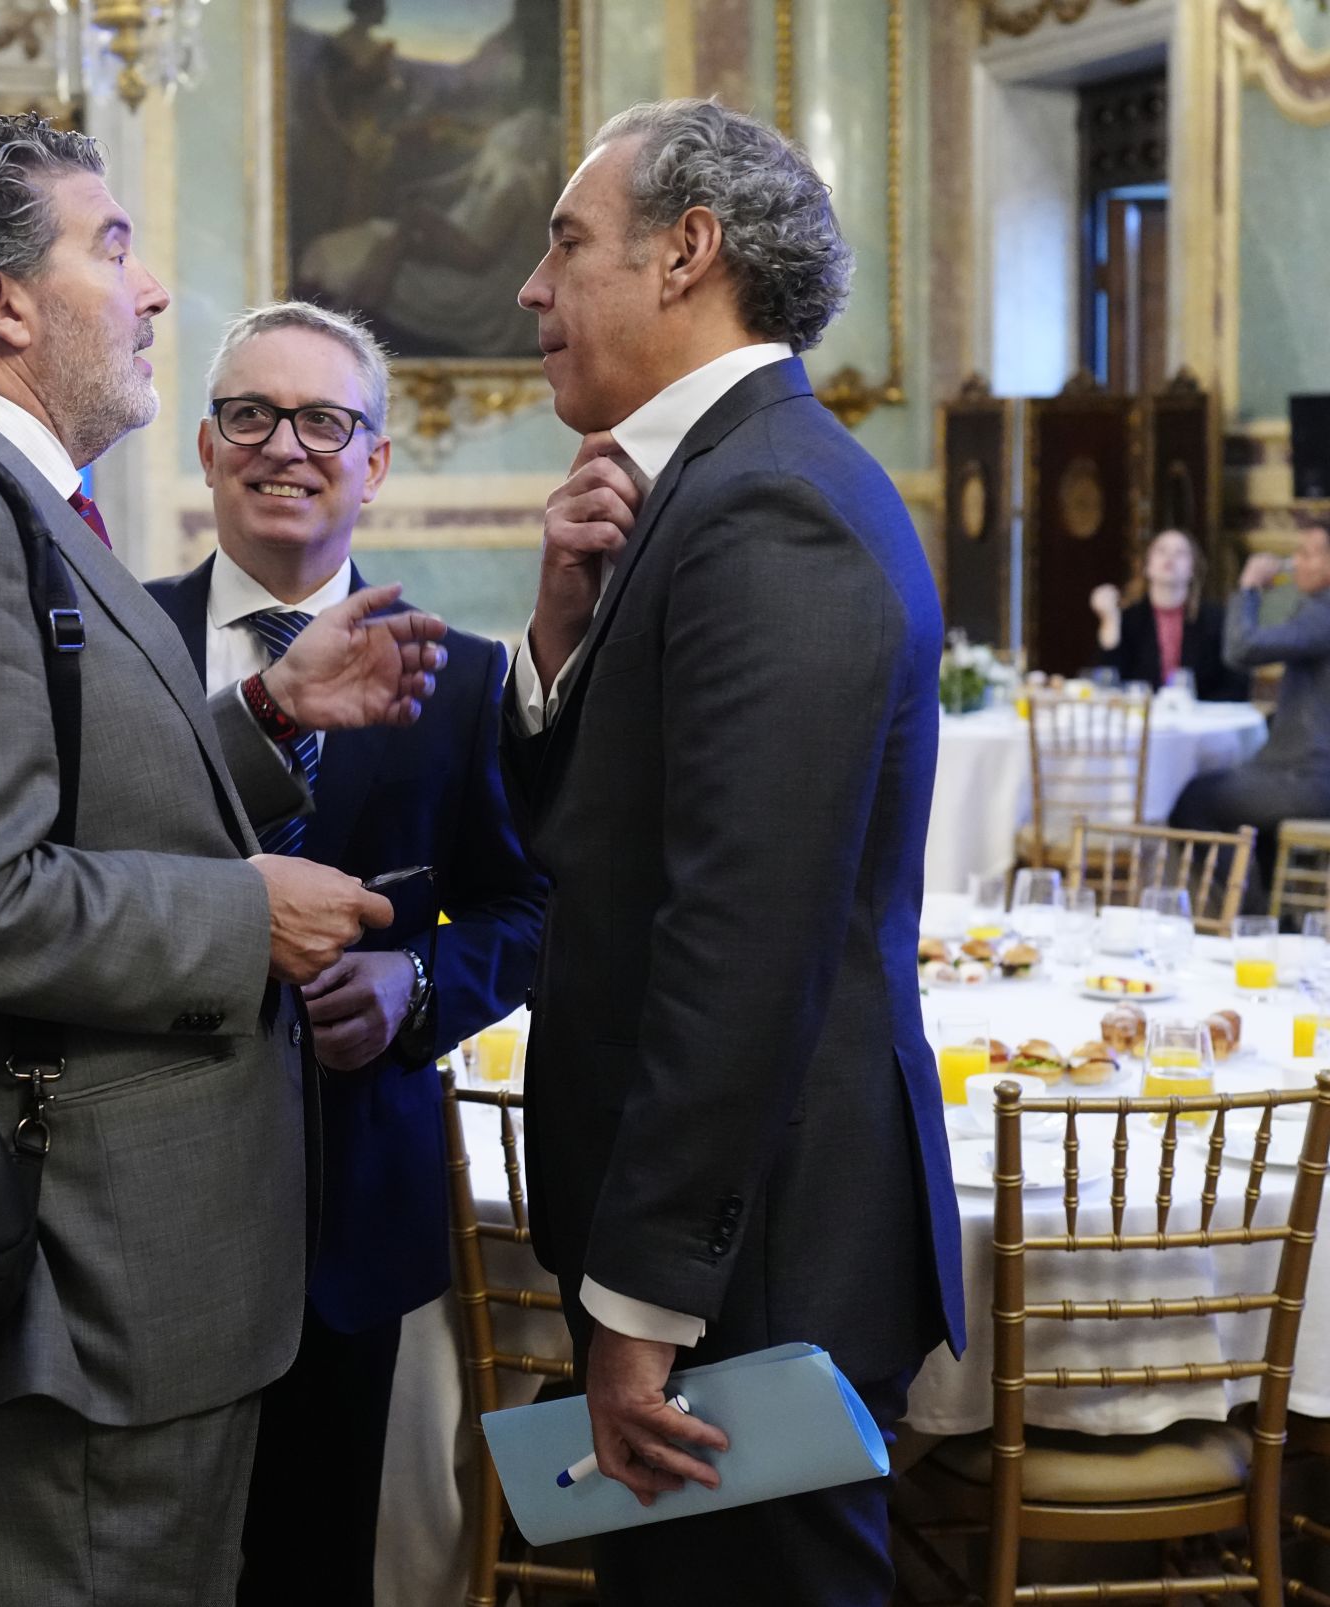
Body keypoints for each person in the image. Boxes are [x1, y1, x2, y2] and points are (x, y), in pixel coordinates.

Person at [0, 114, 449, 1606]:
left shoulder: (12, 500)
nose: (154, 295)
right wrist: (241, 911)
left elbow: (67, 804)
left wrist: (266, 713)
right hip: (77, 1292)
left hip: (120, 1278)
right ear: (5, 303)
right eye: (114, 246)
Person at [500, 99, 965, 1605]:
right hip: (728, 1247)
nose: (532, 287)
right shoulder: (711, 486)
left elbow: (740, 936)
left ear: (686, 252)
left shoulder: (771, 502)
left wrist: (641, 1295)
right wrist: (560, 643)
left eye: (566, 241)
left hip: (756, 1260)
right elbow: (609, 835)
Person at [146, 300, 546, 1606]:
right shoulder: (114, 652)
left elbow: (529, 906)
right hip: (133, 1210)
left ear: (375, 463)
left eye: (327, 419)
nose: (287, 446)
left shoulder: (462, 679)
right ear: (207, 447)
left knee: (313, 1567)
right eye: (252, 415)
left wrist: (418, 980)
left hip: (346, 1215)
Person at [1169, 519, 1330, 901]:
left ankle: (1250, 920)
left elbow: (1241, 650)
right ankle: (1277, 919)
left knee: (1193, 801)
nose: (1295, 562)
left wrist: (1249, 587)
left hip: (1309, 779)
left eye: (1307, 554)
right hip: (1305, 772)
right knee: (1241, 804)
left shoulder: (1324, 613)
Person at [1089, 527, 1247, 699]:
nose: (1169, 557)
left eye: (1180, 553)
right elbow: (1106, 681)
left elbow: (1236, 682)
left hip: (1200, 720)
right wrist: (1109, 620)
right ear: (1146, 566)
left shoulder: (1215, 619)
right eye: (1161, 550)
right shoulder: (1129, 619)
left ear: (1192, 569)